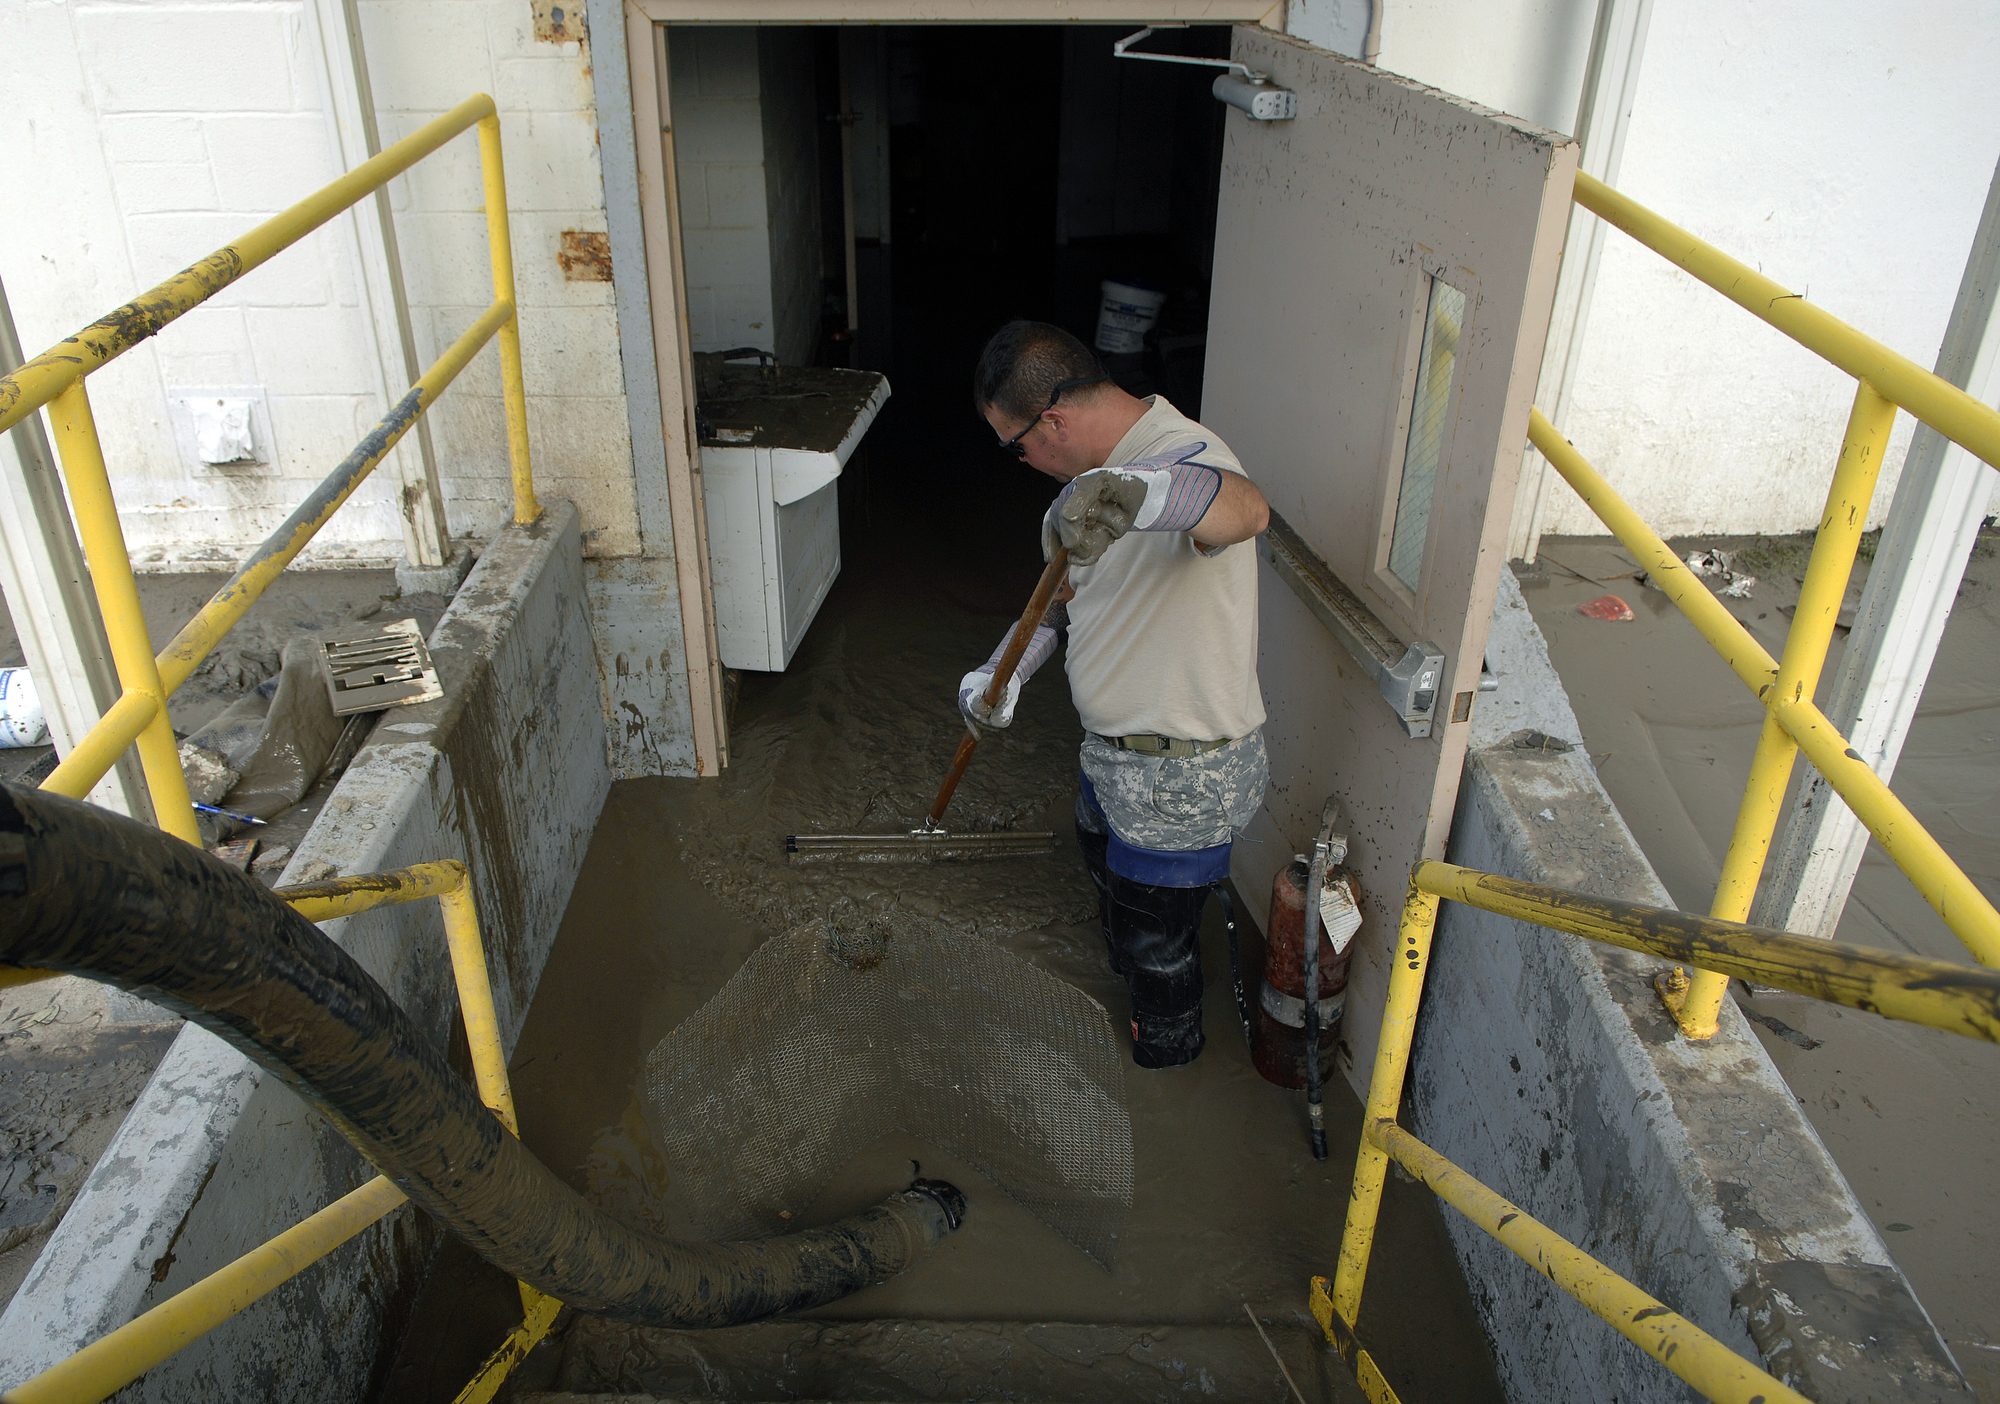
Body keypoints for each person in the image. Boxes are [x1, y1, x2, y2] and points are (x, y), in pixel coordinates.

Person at [960, 320, 1269, 1069]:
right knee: (1117, 908)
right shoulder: (1076, 502)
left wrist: (1141, 494)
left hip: (1181, 776)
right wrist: (999, 673)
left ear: (1052, 421)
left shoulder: (1183, 460)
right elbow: (1055, 606)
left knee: (1158, 950)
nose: (1020, 460)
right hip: (1110, 760)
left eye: (1015, 444)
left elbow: (1244, 511)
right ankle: (1130, 980)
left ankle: (1167, 1059)